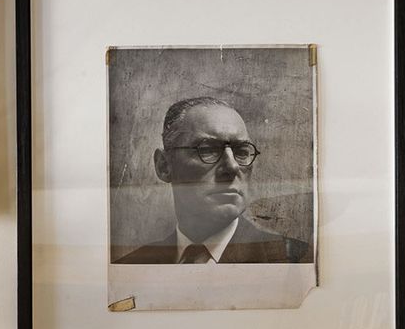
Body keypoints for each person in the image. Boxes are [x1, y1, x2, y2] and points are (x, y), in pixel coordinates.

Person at [114, 96, 308, 264]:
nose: (232, 166)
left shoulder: (292, 261)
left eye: (241, 151)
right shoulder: (130, 268)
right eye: (207, 150)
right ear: (164, 166)